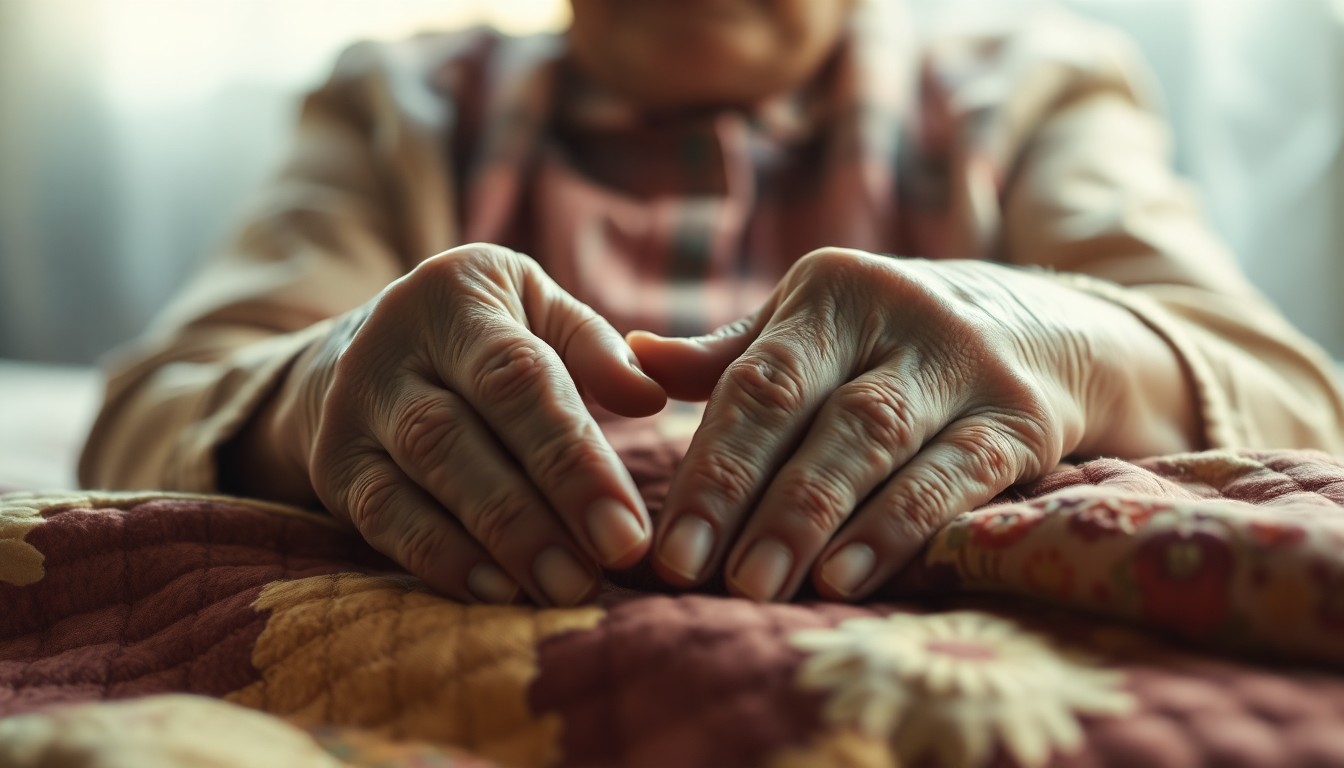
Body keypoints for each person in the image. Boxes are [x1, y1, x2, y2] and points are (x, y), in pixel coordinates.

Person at [80, 0, 1344, 609]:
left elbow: (1284, 388)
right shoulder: (397, 106)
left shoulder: (1031, 91)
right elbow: (160, 407)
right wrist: (328, 378)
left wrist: (1047, 335)